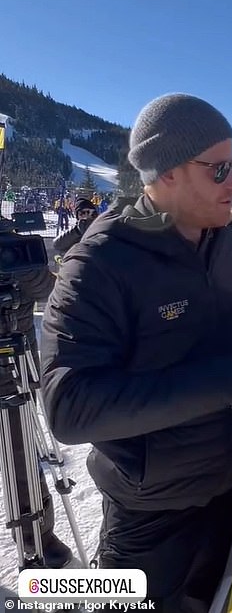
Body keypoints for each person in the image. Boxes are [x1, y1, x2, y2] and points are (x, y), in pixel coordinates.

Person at [41, 93, 232, 612]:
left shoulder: (225, 243)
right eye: (219, 168)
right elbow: (71, 408)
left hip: (224, 491)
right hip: (148, 514)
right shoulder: (99, 265)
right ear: (167, 174)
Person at [0, 237, 72, 567]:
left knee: (22, 455)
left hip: (14, 366)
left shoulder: (15, 246)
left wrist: (27, 272)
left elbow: (53, 295)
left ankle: (36, 536)